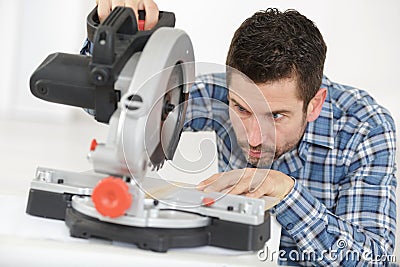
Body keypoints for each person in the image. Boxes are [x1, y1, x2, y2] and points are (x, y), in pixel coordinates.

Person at [87, 1, 397, 266]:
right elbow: (116, 105)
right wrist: (112, 36)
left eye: (276, 116)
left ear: (314, 105)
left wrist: (288, 195)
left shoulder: (366, 129)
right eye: (242, 109)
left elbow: (374, 258)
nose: (253, 137)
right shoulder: (222, 93)